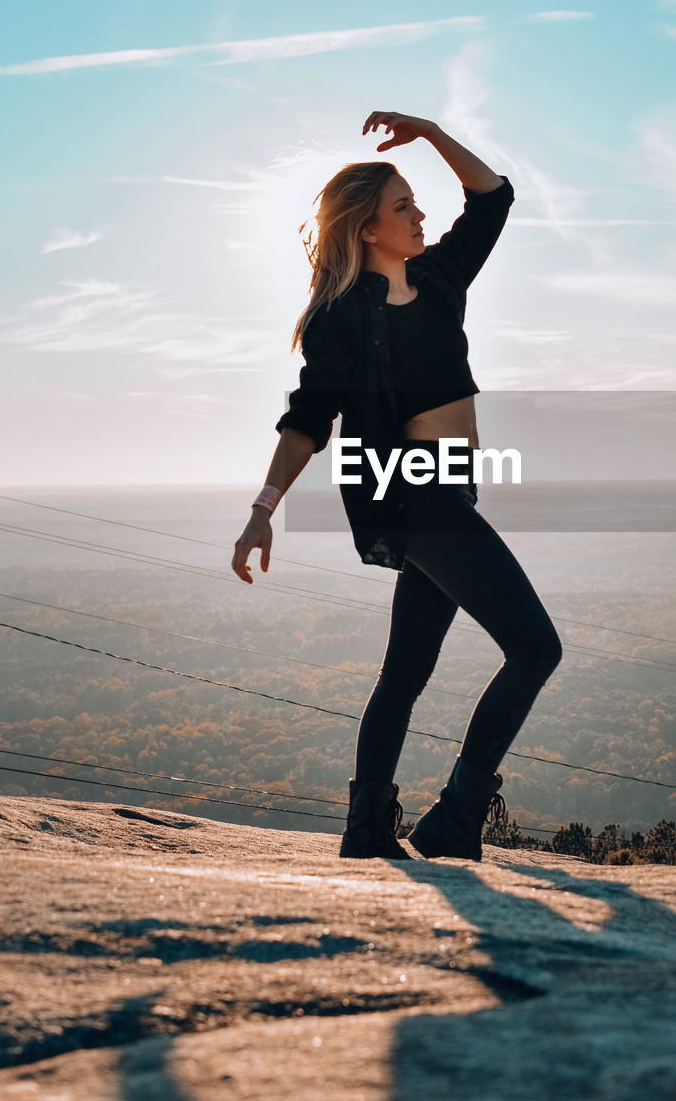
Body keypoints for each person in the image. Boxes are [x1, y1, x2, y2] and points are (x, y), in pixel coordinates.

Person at [231, 111, 563, 860]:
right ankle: (456, 817)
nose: (421, 215)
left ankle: (367, 828)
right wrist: (262, 512)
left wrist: (432, 131)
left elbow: (493, 198)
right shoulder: (341, 318)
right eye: (403, 207)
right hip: (414, 496)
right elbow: (308, 418)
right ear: (366, 228)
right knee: (536, 649)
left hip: (451, 493)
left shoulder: (441, 281)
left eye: (417, 202)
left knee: (404, 675)